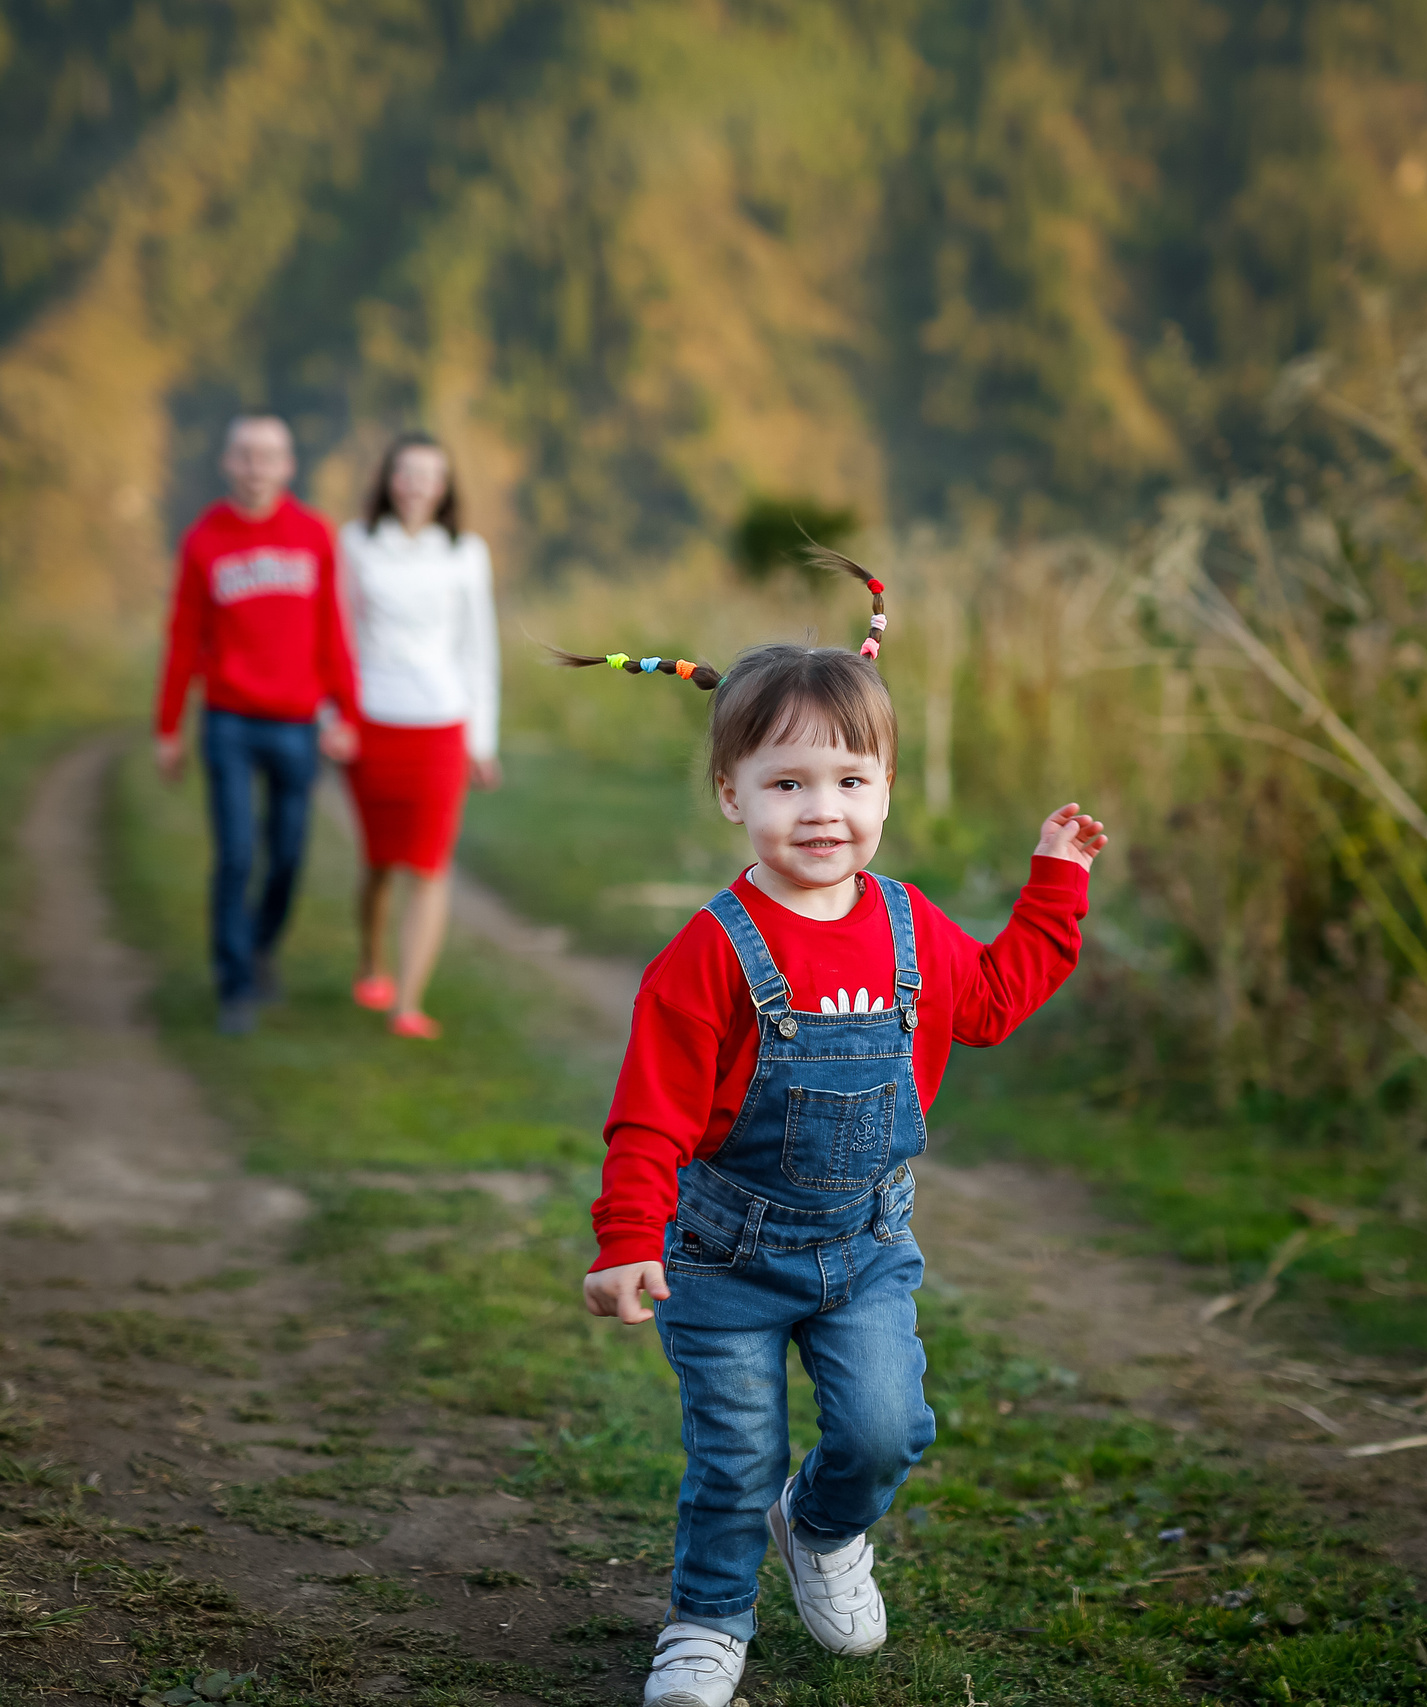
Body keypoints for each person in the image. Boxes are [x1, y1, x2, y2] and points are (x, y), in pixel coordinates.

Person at [559, 561, 1109, 1707]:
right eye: (787, 782)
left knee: (883, 1429)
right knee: (731, 1457)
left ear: (886, 788)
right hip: (721, 1259)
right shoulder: (708, 954)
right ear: (731, 795)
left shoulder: (911, 925)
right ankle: (708, 1626)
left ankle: (820, 1528)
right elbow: (650, 1112)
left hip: (862, 1250)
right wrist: (626, 1237)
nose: (822, 809)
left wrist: (1051, 885)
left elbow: (996, 1001)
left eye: (849, 780)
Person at [154, 415, 360, 1035]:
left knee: (289, 854)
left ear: (288, 466)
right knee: (237, 853)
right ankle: (235, 982)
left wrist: (346, 712)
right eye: (245, 455)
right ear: (227, 464)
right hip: (229, 720)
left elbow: (332, 629)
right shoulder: (204, 539)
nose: (256, 467)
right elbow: (183, 637)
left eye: (268, 456)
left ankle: (260, 944)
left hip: (298, 722)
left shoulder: (313, 534)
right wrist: (168, 729)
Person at [338, 432, 502, 1040]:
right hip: (371, 721)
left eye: (430, 475)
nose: (416, 486)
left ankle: (407, 1004)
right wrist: (335, 718)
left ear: (444, 487)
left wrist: (481, 742)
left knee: (430, 864)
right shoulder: (355, 543)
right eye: (406, 473)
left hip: (441, 723)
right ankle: (371, 961)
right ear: (388, 480)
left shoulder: (465, 552)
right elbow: (340, 635)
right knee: (381, 861)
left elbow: (476, 649)